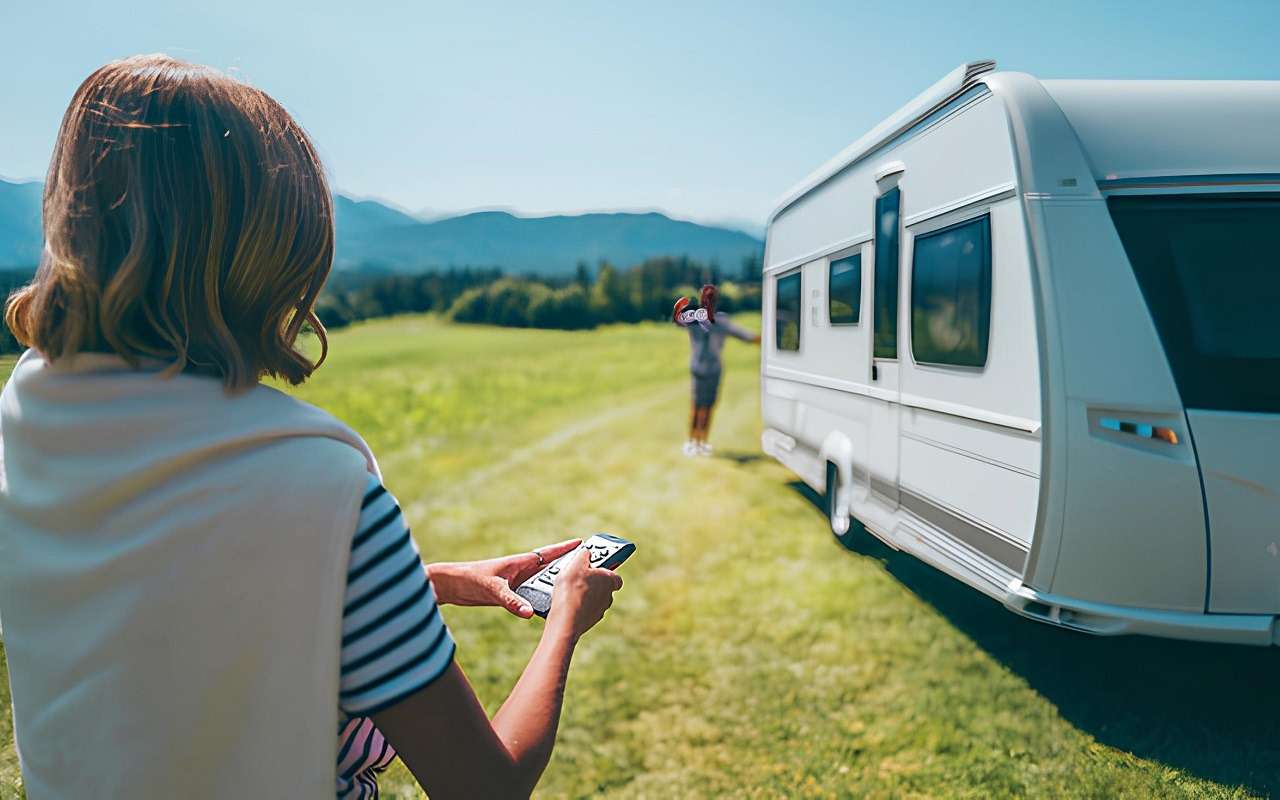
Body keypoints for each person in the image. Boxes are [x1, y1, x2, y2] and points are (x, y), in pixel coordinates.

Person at [0, 54, 623, 799]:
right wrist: (566, 621)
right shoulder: (326, 496)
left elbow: (183, 600)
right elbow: (485, 786)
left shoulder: (31, 433)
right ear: (279, 248)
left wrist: (438, 584)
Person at [682, 286, 760, 456]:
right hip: (701, 368)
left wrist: (761, 339)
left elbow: (743, 334)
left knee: (706, 407)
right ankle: (693, 442)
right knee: (698, 407)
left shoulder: (718, 321)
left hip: (711, 369)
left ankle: (700, 443)